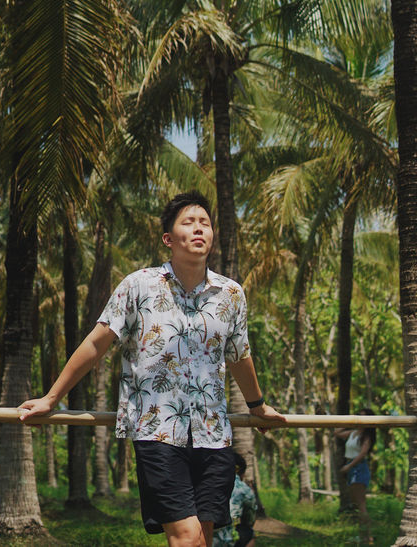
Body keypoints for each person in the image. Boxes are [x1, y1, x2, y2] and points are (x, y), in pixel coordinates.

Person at [19, 190, 286, 547]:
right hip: (158, 431)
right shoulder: (139, 285)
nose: (198, 230)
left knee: (204, 540)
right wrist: (52, 398)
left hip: (213, 433)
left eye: (204, 223)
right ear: (168, 239)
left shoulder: (231, 294)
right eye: (188, 223)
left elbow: (239, 355)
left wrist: (258, 406)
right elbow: (96, 342)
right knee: (187, 538)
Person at [336, 408, 376, 546]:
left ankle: (367, 537)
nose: (360, 418)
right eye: (359, 416)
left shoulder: (366, 436)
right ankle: (363, 535)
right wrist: (351, 421)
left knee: (361, 504)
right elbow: (337, 432)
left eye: (363, 417)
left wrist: (349, 466)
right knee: (357, 504)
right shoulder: (353, 433)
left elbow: (362, 454)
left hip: (358, 468)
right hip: (352, 467)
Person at [212, 452, 257, 547]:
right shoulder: (243, 488)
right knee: (249, 533)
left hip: (199, 535)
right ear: (241, 472)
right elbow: (250, 520)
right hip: (225, 539)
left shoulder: (206, 481)